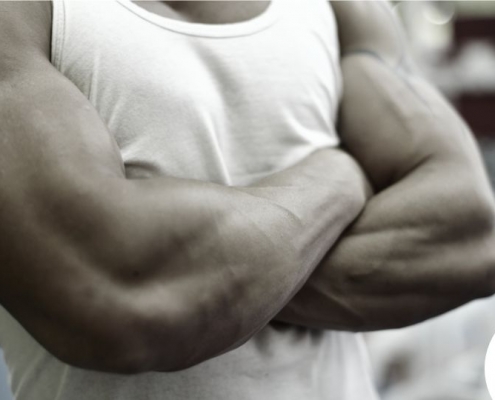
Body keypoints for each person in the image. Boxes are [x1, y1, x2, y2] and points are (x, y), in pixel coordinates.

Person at [0, 1, 493, 399]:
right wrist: (340, 173)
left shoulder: (345, 11)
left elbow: (472, 232)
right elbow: (109, 290)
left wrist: (213, 280)